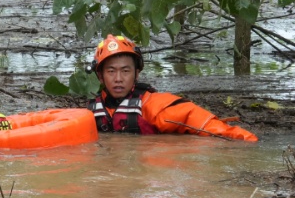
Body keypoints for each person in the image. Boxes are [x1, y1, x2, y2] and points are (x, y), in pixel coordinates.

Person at [88, 34, 258, 141]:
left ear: (136, 74)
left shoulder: (154, 106)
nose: (118, 79)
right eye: (111, 71)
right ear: (100, 76)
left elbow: (205, 124)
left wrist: (245, 140)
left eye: (125, 71)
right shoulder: (92, 112)